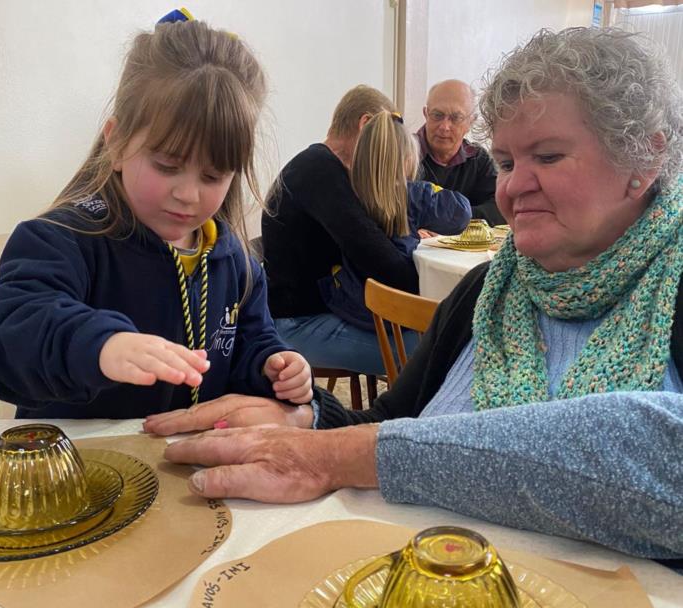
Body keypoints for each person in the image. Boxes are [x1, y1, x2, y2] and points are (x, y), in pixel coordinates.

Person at [146, 27, 683, 562]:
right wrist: (306, 420)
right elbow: (387, 421)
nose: (515, 187)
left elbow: (662, 457)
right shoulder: (485, 293)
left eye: (547, 157)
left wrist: (333, 454)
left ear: (643, 160)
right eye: (505, 163)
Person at [0, 16, 311, 418]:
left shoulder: (237, 262)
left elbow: (251, 342)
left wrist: (271, 365)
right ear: (115, 142)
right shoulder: (60, 238)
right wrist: (100, 345)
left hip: (180, 468)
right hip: (80, 468)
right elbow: (7, 329)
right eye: (167, 165)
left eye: (212, 176)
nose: (187, 194)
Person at [261, 85, 424, 375]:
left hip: (313, 314)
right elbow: (380, 261)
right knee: (431, 348)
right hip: (298, 324)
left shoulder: (320, 167)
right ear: (365, 124)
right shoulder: (320, 171)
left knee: (430, 340)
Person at [318, 109, 471, 330]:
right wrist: (428, 190)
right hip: (398, 314)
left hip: (351, 303)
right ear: (408, 160)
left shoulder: (345, 192)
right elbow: (461, 214)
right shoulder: (414, 194)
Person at [416, 79, 505, 227]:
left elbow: (500, 208)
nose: (445, 127)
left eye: (456, 118)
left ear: (471, 122)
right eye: (437, 115)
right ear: (426, 114)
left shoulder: (478, 159)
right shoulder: (402, 154)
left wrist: (451, 218)